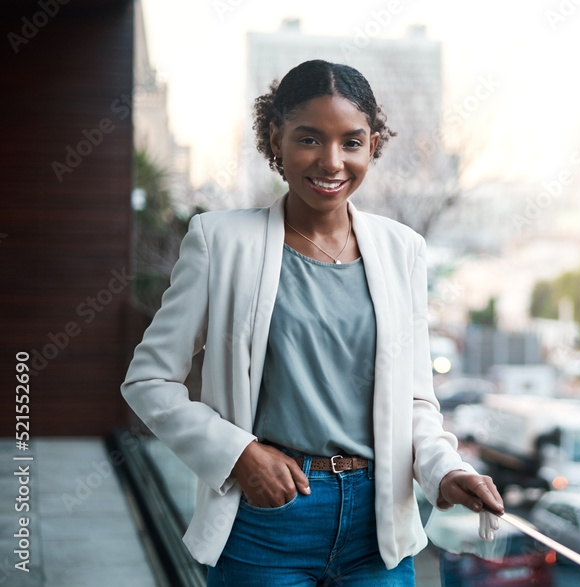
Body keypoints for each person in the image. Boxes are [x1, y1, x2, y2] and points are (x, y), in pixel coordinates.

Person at [121, 59, 503, 586]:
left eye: (351, 141)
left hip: (380, 526)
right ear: (275, 139)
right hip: (266, 522)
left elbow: (415, 400)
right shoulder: (220, 242)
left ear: (373, 144)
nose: (331, 161)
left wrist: (446, 470)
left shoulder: (403, 251)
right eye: (309, 139)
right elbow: (148, 381)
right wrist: (240, 456)